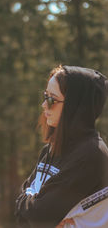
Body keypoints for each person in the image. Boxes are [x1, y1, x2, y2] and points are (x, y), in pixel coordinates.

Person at [15, 65, 108, 228]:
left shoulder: (91, 155)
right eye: (45, 96)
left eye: (52, 99)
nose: (44, 105)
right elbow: (22, 212)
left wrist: (30, 200)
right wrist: (31, 204)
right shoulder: (50, 149)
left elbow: (38, 217)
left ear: (75, 106)